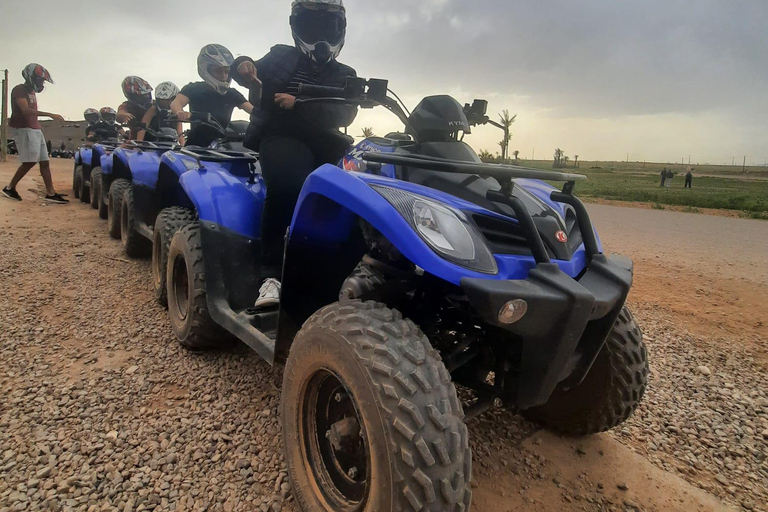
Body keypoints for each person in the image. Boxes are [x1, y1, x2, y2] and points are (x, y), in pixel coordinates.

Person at [230, 0, 357, 308]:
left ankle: (352, 272)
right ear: (297, 26)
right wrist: (243, 66)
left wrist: (299, 102)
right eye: (313, 26)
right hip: (281, 134)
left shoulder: (346, 72)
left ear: (340, 29)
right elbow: (247, 70)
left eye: (327, 27)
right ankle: (271, 276)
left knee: (358, 197)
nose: (321, 36)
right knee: (288, 185)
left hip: (327, 142)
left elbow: (345, 113)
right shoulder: (279, 56)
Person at [1, 64, 68, 204]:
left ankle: (50, 193)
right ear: (30, 77)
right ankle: (9, 188)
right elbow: (25, 110)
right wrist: (49, 114)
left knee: (44, 161)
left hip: (34, 128)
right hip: (24, 129)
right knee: (30, 161)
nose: (41, 83)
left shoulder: (31, 91)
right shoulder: (19, 90)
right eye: (39, 80)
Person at [170, 44, 254, 147]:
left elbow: (252, 110)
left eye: (226, 71)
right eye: (218, 71)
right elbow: (177, 102)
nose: (223, 76)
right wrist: (180, 112)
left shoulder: (232, 93)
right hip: (196, 145)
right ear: (206, 69)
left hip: (225, 145)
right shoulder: (193, 88)